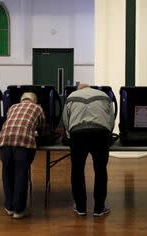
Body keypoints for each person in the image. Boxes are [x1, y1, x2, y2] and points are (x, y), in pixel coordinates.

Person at [62, 84, 115, 217]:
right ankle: (99, 208)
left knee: (77, 170)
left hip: (78, 134)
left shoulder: (71, 97)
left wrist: (69, 135)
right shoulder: (104, 96)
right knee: (100, 170)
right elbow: (111, 119)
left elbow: (66, 120)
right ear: (91, 88)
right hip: (100, 133)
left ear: (79, 89)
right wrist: (108, 133)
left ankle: (80, 208)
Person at [0, 92, 46, 219]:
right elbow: (43, 127)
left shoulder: (12, 107)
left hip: (4, 141)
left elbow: (9, 121)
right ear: (34, 100)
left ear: (21, 100)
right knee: (21, 173)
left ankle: (9, 207)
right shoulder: (37, 108)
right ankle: (19, 210)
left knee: (7, 173)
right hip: (23, 142)